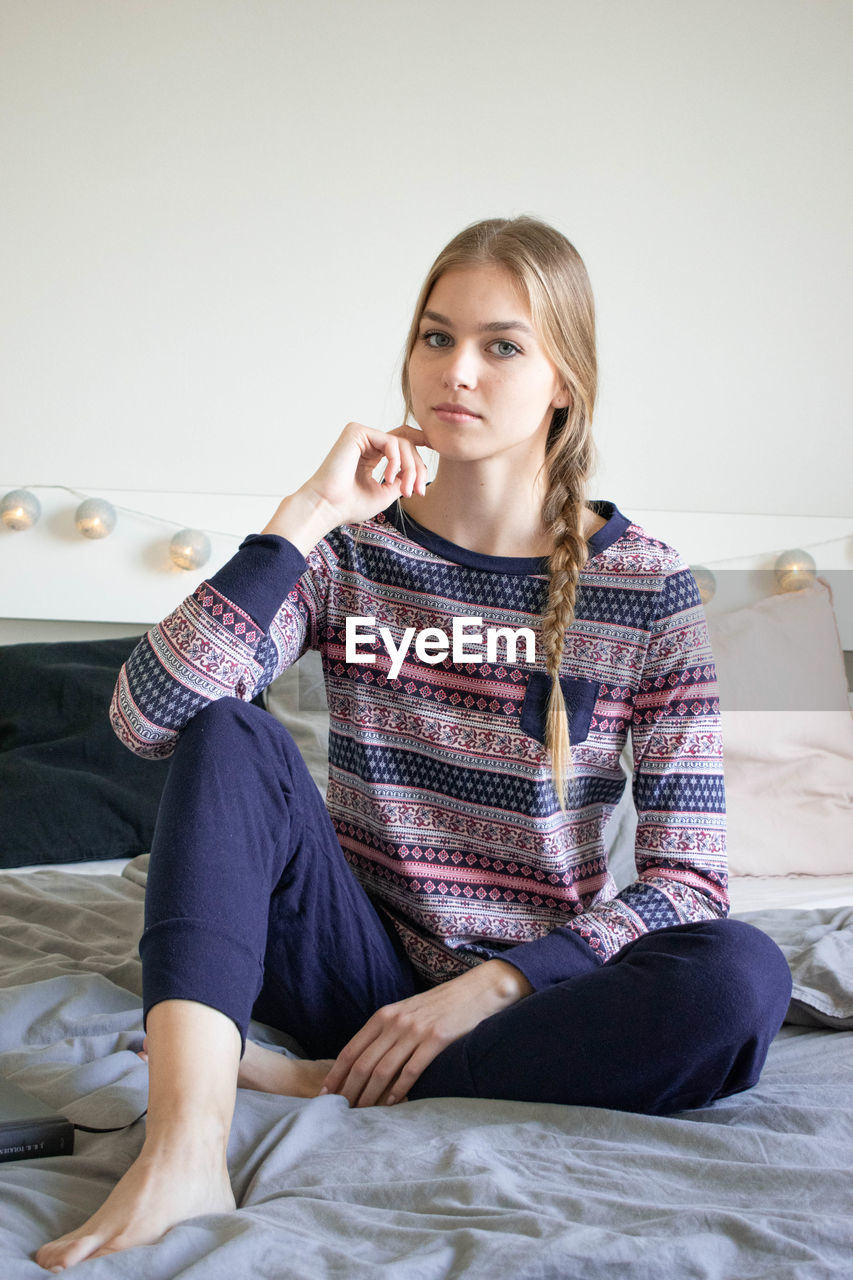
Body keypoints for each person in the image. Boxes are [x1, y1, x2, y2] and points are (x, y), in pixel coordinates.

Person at [35, 215, 793, 1272]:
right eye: (434, 338)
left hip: (529, 992)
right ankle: (185, 1139)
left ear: (564, 379)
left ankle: (328, 1076)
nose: (457, 371)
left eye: (501, 344)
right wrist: (304, 512)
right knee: (231, 731)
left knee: (741, 977)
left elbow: (686, 882)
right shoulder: (352, 550)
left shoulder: (649, 588)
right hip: (344, 961)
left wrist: (500, 983)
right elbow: (146, 716)